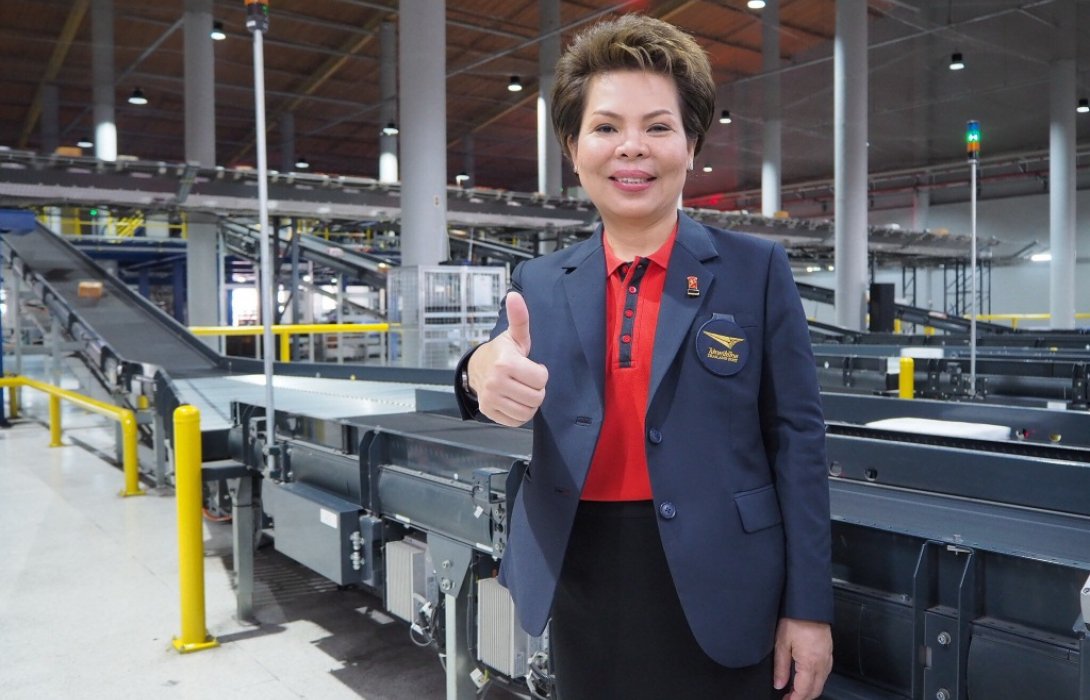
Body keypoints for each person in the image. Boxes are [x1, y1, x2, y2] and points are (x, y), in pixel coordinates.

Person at [455, 13, 832, 700]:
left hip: (726, 580)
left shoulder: (754, 271)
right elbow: (490, 369)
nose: (632, 147)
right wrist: (477, 370)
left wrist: (808, 609)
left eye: (658, 127)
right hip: (582, 576)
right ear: (574, 149)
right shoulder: (540, 281)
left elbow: (798, 441)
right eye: (605, 127)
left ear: (691, 145)